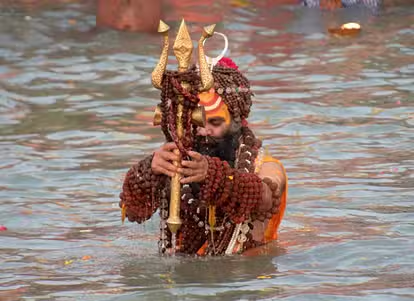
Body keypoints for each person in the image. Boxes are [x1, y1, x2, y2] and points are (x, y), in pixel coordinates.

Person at [119, 49, 288, 256]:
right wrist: (149, 171)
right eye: (197, 121)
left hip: (244, 276)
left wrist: (214, 176)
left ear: (237, 120)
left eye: (215, 122)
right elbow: (135, 210)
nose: (204, 131)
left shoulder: (266, 166)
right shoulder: (178, 161)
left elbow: (265, 197)